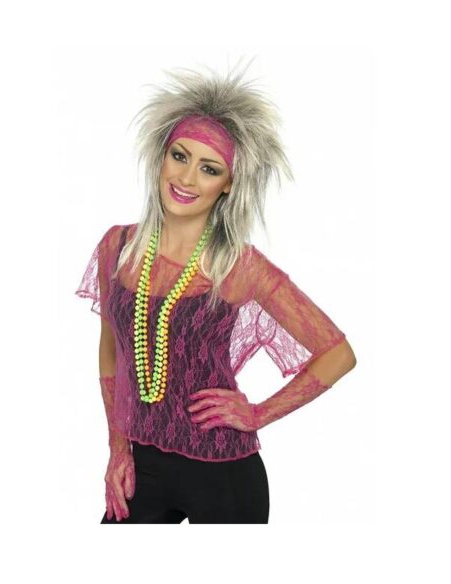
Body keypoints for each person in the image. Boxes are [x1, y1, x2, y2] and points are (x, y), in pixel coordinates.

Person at [75, 61, 357, 524]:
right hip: (141, 467)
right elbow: (112, 352)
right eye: (179, 156)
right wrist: (117, 448)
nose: (187, 179)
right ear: (161, 156)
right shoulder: (118, 248)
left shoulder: (240, 267)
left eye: (209, 169)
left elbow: (338, 354)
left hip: (224, 472)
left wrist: (259, 413)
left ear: (228, 185)